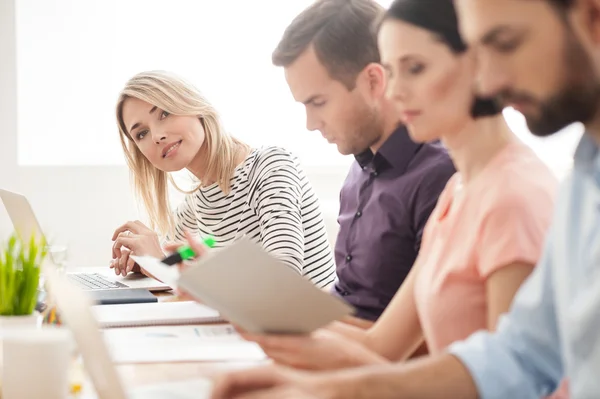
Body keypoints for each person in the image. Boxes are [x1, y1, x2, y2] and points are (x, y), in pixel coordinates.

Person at [208, 0, 600, 397]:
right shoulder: (470, 189)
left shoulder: (514, 194)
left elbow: (517, 376)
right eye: (392, 72)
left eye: (415, 68)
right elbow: (513, 357)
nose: (393, 92)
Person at [271, 0, 455, 325]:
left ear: (373, 81)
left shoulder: (440, 176)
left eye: (318, 102)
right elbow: (349, 298)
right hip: (335, 346)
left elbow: (429, 337)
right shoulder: (359, 168)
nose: (310, 124)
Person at [109, 70, 336, 288]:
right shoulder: (196, 204)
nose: (157, 136)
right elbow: (175, 258)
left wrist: (159, 262)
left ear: (193, 105)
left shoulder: (271, 166)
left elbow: (281, 277)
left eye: (164, 113)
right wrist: (143, 261)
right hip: (252, 325)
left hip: (318, 326)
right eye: (141, 134)